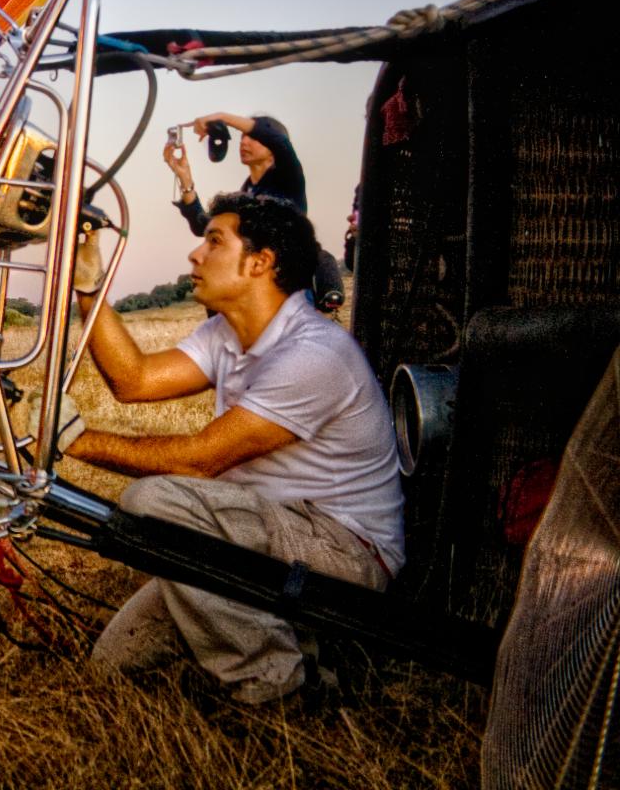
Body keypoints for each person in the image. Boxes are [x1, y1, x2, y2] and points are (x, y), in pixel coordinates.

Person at [57, 192, 403, 704]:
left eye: (214, 241)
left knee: (154, 503)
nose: (196, 255)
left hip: (343, 549)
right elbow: (134, 381)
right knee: (112, 666)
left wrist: (76, 443)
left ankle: (281, 688)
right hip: (259, 533)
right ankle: (304, 642)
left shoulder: (313, 354)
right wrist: (90, 288)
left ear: (261, 262)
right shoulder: (225, 334)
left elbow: (199, 461)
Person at [165, 111, 344, 310]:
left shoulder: (288, 177)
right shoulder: (245, 194)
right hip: (256, 285)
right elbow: (204, 226)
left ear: (272, 148)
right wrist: (185, 180)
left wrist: (224, 118)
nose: (244, 142)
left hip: (288, 289)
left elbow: (279, 141)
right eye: (242, 138)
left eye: (253, 137)